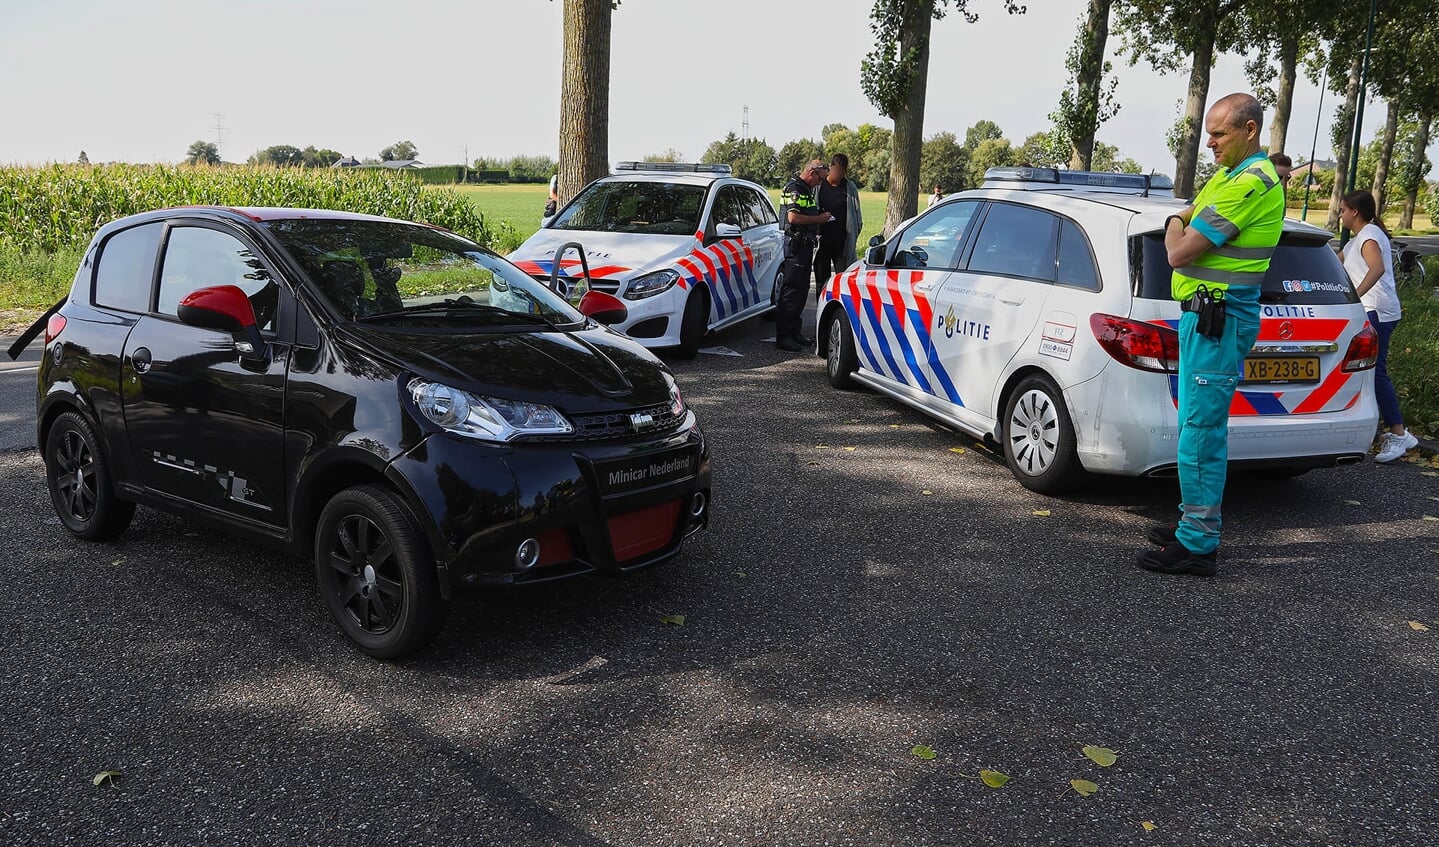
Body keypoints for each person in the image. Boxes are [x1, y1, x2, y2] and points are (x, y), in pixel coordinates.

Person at [1137, 92, 1285, 578]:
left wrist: (1177, 221)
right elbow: (1183, 221)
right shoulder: (1229, 174)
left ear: (1250, 130)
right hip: (1205, 318)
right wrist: (1180, 220)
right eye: (1208, 136)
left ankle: (1198, 544)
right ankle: (1190, 525)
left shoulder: (1253, 183)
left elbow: (1178, 252)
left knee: (1201, 433)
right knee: (1193, 429)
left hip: (1220, 319)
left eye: (1219, 135)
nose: (1211, 145)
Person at [1338, 189, 1416, 463]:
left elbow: (1377, 268)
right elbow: (1336, 264)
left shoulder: (1370, 236)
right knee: (1368, 372)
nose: (1340, 214)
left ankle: (1398, 433)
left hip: (1377, 311)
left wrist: (1354, 297)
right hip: (1371, 310)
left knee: (1375, 372)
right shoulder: (1357, 240)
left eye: (1343, 210)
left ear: (1355, 212)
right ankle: (1388, 428)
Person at [775, 159, 834, 352]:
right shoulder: (795, 188)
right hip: (796, 244)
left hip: (804, 244)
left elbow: (804, 212)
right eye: (820, 179)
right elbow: (793, 217)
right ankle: (784, 337)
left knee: (801, 291)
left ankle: (794, 332)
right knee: (792, 291)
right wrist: (819, 219)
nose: (820, 183)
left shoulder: (805, 189)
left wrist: (817, 214)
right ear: (812, 172)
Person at [813, 153, 863, 298]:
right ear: (830, 167)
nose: (838, 174)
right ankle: (821, 316)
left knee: (844, 283)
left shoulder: (850, 188)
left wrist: (852, 237)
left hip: (842, 245)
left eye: (842, 171)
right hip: (822, 243)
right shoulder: (819, 186)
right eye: (836, 170)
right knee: (821, 283)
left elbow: (857, 216)